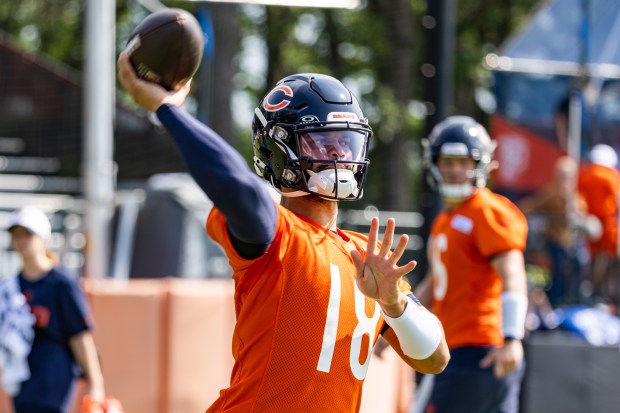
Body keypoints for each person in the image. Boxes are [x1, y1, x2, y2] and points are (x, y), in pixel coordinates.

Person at [117, 51, 450, 413]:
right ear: (276, 150)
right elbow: (237, 187)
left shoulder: (369, 258)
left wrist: (393, 304)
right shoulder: (278, 233)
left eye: (345, 141)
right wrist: (169, 109)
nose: (339, 154)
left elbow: (435, 359)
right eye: (321, 142)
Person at [415, 116, 529, 413]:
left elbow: (513, 272)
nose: (454, 170)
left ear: (481, 165)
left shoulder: (487, 210)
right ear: (434, 164)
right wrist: (394, 327)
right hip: (456, 348)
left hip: (482, 349)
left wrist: (513, 337)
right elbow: (435, 284)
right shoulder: (445, 220)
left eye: (463, 162)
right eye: (448, 161)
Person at [7, 206, 105, 413]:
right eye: (16, 235)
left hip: (54, 380)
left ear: (43, 237)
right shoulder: (11, 286)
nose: (21, 240)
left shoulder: (61, 283)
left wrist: (96, 384)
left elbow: (80, 336)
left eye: (28, 234)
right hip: (22, 383)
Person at [518, 156, 597, 306]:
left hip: (572, 243)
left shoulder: (577, 198)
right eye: (563, 176)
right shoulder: (551, 194)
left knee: (580, 265)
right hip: (554, 241)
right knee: (557, 269)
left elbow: (583, 216)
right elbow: (529, 206)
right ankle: (556, 301)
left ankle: (573, 299)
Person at [578, 144, 620, 306]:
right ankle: (603, 293)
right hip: (608, 224)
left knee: (595, 258)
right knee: (609, 258)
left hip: (591, 223)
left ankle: (594, 291)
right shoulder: (610, 176)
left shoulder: (585, 174)